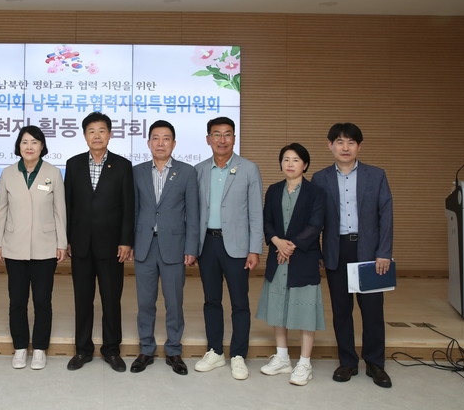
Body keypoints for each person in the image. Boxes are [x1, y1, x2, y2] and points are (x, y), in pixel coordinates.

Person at [311, 123, 393, 388]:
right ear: (330, 145)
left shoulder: (376, 175)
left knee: (372, 311)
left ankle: (375, 363)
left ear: (359, 146)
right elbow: (315, 220)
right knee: (341, 310)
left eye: (351, 142)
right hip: (337, 250)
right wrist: (319, 252)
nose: (345, 147)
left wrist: (384, 252)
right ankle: (347, 361)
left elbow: (386, 215)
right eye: (339, 142)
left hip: (369, 251)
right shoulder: (320, 178)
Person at [193, 116, 263, 380]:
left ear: (234, 138)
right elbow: (192, 213)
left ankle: (238, 355)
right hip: (207, 244)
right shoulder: (198, 170)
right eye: (216, 134)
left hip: (237, 246)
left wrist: (254, 249)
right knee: (211, 300)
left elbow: (255, 212)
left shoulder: (249, 169)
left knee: (239, 302)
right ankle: (215, 351)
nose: (222, 140)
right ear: (208, 139)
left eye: (227, 134)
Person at [64, 111, 134, 372]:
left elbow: (128, 206)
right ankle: (82, 350)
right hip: (80, 244)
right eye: (91, 131)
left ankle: (111, 350)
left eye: (102, 130)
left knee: (111, 300)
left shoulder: (122, 165)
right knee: (82, 299)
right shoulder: (73, 164)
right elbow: (68, 205)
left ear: (110, 134)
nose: (96, 136)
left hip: (112, 246)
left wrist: (126, 241)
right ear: (84, 135)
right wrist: (67, 239)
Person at [0, 126, 67, 370]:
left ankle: (40, 348)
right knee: (17, 300)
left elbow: (59, 210)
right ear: (18, 146)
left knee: (42, 300)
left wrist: (61, 243)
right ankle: (20, 347)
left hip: (46, 247)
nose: (29, 146)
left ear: (42, 146)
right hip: (14, 246)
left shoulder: (53, 173)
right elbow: (1, 210)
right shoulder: (8, 173)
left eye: (34, 142)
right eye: (24, 142)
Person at [130, 120, 199, 376]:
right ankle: (146, 349)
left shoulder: (187, 172)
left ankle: (173, 350)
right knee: (145, 303)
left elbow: (193, 213)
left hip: (175, 247)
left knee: (174, 303)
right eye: (156, 138)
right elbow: (133, 211)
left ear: (174, 143)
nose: (161, 143)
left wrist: (191, 247)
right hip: (144, 246)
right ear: (148, 143)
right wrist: (130, 243)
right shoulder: (136, 172)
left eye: (166, 138)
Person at [256, 143, 326, 386]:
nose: (290, 164)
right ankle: (282, 357)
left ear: (305, 165)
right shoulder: (274, 190)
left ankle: (305, 363)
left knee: (305, 311)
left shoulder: (315, 192)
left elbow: (316, 225)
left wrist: (290, 246)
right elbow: (267, 221)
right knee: (278, 308)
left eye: (295, 160)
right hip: (278, 257)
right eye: (286, 159)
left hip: (303, 258)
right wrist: (277, 242)